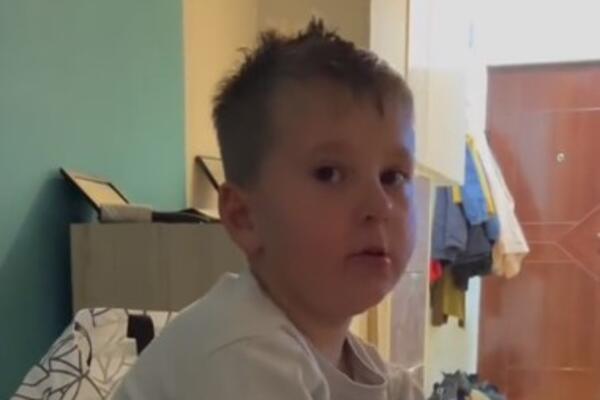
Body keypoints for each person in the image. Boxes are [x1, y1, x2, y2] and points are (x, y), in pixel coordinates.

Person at [113, 19, 423, 400]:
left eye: (393, 176)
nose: (379, 205)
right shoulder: (240, 352)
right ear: (244, 217)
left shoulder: (361, 365)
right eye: (329, 174)